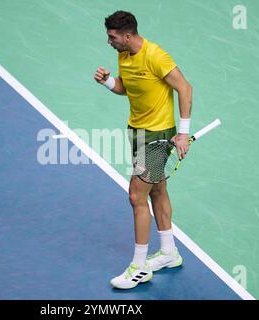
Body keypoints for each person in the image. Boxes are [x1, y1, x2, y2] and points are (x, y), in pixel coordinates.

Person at [93, 10, 193, 289]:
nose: (109, 41)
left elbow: (185, 88)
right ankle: (169, 252)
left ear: (127, 35)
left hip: (157, 137)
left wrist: (183, 133)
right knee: (157, 190)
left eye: (112, 37)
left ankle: (139, 267)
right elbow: (127, 88)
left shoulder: (156, 56)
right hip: (136, 132)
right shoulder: (124, 55)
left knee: (137, 196)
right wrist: (108, 82)